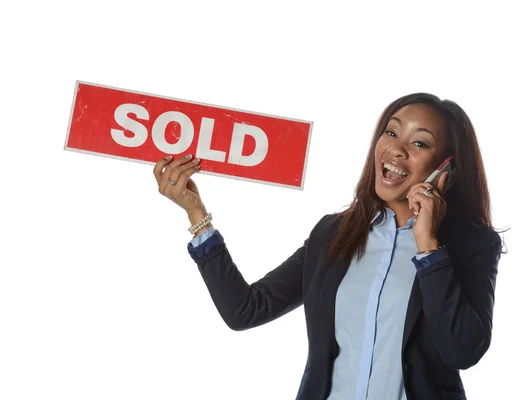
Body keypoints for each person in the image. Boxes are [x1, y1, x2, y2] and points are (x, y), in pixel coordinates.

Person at [152, 93, 503, 400]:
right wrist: (197, 215)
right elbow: (245, 310)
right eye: (391, 132)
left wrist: (428, 247)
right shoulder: (333, 234)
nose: (396, 148)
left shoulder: (471, 245)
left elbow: (463, 351)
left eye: (419, 143)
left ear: (446, 168)